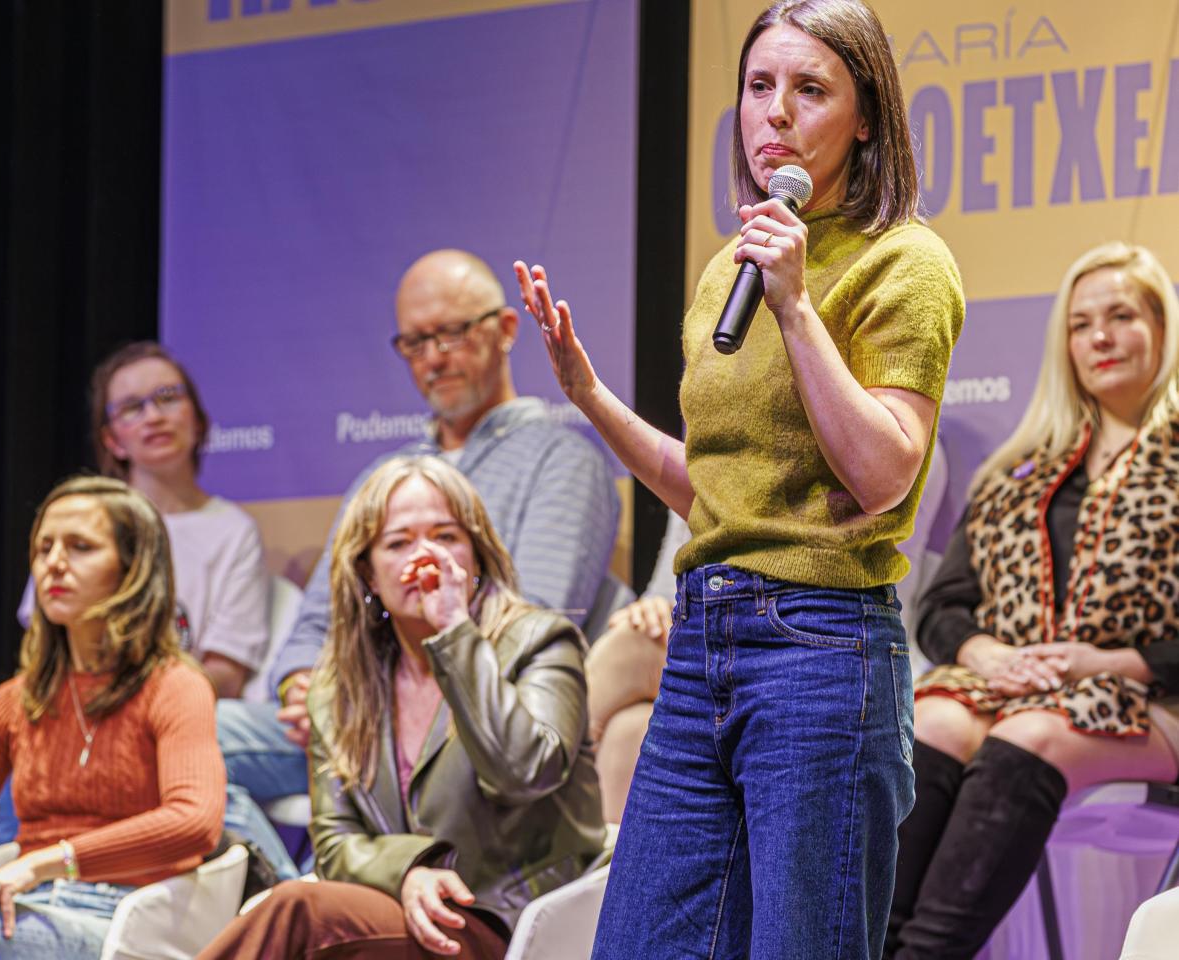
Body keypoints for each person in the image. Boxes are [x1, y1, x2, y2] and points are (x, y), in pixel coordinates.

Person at [517, 0, 964, 955]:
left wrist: (799, 309)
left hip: (822, 646)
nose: (775, 114)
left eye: (810, 90)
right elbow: (713, 494)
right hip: (702, 641)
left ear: (867, 115)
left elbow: (884, 472)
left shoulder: (905, 262)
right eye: (759, 88)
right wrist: (591, 396)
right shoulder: (730, 268)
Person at [216, 248, 618, 873]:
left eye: (453, 332)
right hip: (355, 713)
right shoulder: (381, 476)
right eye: (416, 341)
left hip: (472, 719)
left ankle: (312, 891)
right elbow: (316, 625)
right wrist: (306, 691)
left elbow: (530, 618)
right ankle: (275, 882)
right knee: (194, 736)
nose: (435, 356)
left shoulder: (561, 459)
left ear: (507, 329)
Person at [887, 242, 1179, 958]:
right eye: (1082, 324)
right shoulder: (1019, 469)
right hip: (1014, 690)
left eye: (1121, 317)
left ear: (1163, 330)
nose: (1100, 337)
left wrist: (1104, 661)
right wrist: (987, 654)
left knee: (1031, 734)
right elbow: (942, 606)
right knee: (934, 717)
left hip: (1154, 699)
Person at [197, 456, 604, 959]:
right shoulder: (339, 686)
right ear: (367, 572)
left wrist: (455, 631)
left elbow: (522, 772)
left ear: (475, 555)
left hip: (515, 920)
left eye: (447, 536)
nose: (426, 556)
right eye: (398, 543)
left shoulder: (538, 641)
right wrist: (409, 870)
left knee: (297, 909)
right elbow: (334, 841)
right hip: (402, 912)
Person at [0, 475, 224, 959]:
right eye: (43, 548)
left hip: (124, 920)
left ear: (133, 569)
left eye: (80, 547)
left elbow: (193, 822)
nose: (53, 564)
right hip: (27, 907)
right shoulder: (16, 700)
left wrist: (46, 863)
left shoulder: (176, 687)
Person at [17, 342, 270, 699]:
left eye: (167, 397)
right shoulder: (80, 520)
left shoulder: (233, 531)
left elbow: (225, 672)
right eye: (132, 407)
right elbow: (43, 641)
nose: (153, 416)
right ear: (112, 441)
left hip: (178, 714)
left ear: (197, 420)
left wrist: (137, 708)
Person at [584, 510, 687, 825]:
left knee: (627, 647)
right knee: (628, 731)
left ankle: (538, 796)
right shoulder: (697, 461)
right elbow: (665, 587)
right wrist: (649, 606)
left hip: (755, 624)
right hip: (685, 623)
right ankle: (598, 869)